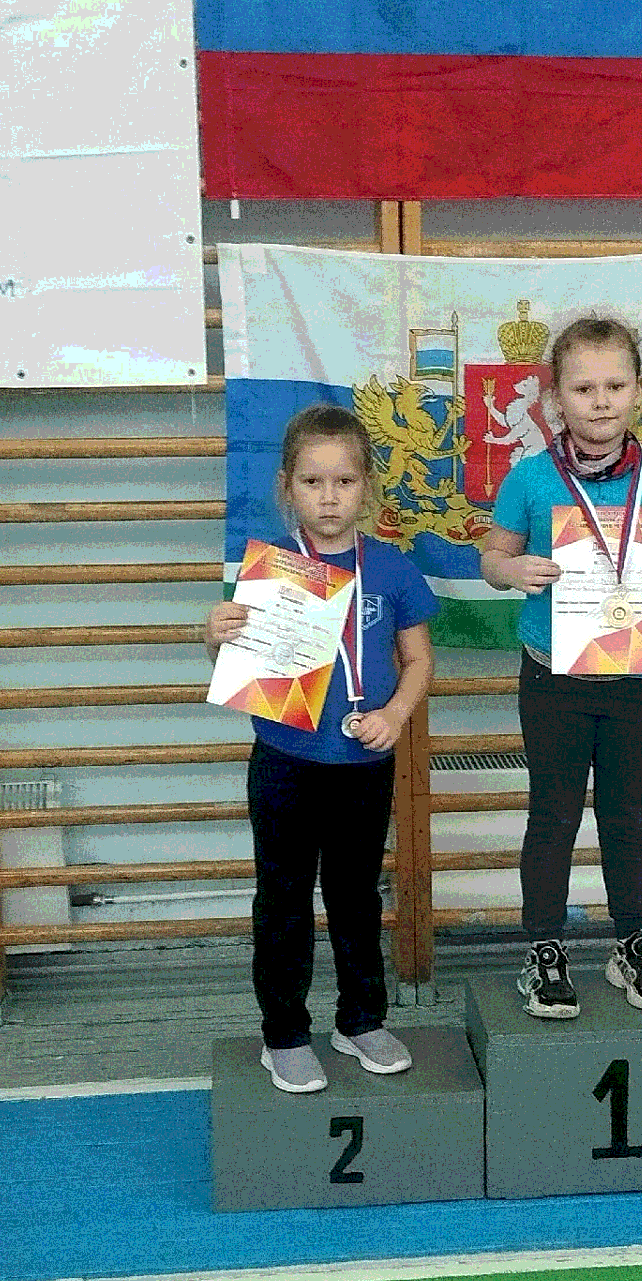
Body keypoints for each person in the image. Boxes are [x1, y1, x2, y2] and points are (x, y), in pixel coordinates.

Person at [479, 315, 642, 1019]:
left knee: (628, 817)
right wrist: (511, 570)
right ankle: (543, 950)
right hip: (554, 677)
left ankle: (633, 944)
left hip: (636, 678)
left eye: (616, 385)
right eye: (584, 388)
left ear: (640, 391)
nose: (601, 400)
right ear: (556, 397)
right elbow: (492, 557)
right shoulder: (529, 477)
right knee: (552, 816)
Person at [206, 404, 437, 1094]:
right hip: (284, 762)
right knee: (283, 900)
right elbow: (237, 657)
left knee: (356, 897)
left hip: (364, 765)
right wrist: (214, 636)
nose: (329, 496)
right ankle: (283, 1034)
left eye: (344, 481)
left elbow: (419, 660)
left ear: (367, 486)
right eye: (313, 482)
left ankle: (360, 1020)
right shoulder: (271, 574)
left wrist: (395, 714)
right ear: (287, 487)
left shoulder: (391, 569)